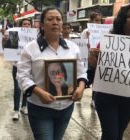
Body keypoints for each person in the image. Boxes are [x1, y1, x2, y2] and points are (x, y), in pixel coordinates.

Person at [17, 7, 87, 139]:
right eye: (50, 19)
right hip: (40, 108)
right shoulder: (30, 48)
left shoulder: (73, 47)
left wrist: (81, 88)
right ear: (42, 25)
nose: (55, 22)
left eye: (58, 19)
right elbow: (22, 76)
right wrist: (39, 92)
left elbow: (81, 72)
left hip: (66, 108)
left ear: (62, 24)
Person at [94, 3, 130, 140]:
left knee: (118, 134)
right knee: (111, 135)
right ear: (122, 20)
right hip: (107, 96)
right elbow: (95, 69)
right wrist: (93, 61)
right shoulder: (108, 42)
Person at [81, 10, 103, 108]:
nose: (98, 23)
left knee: (96, 80)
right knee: (87, 79)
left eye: (100, 21)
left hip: (100, 59)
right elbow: (82, 46)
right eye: (96, 20)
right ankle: (79, 90)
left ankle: (94, 99)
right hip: (89, 60)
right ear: (91, 21)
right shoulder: (86, 32)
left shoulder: (103, 31)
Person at [11, 18, 32, 121]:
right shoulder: (14, 35)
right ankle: (16, 110)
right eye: (24, 24)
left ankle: (24, 106)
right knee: (17, 88)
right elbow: (8, 50)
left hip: (29, 67)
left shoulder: (34, 37)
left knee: (27, 87)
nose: (26, 26)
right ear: (20, 25)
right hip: (17, 66)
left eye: (28, 24)